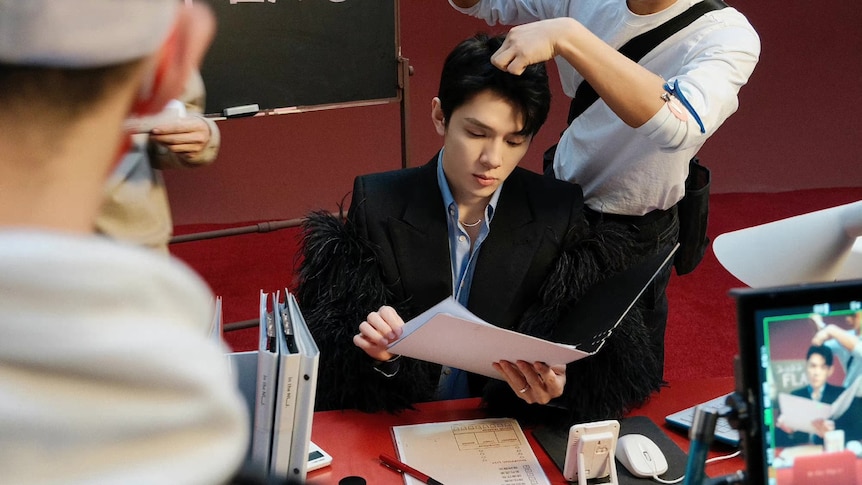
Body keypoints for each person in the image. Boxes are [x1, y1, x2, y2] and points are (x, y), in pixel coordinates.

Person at [296, 33, 661, 426]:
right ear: (440, 116)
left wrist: (558, 391)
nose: (493, 159)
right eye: (476, 133)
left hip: (501, 426)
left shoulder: (557, 211)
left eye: (515, 140)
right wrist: (383, 358)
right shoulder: (378, 201)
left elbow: (587, 365)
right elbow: (336, 372)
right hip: (409, 422)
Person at [0, 1, 249, 483]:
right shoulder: (195, 415)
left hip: (131, 228)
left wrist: (200, 136)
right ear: (174, 57)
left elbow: (189, 116)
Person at [448, 0, 761, 377]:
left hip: (638, 228)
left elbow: (679, 125)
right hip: (558, 205)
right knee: (529, 366)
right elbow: (483, 4)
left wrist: (568, 36)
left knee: (622, 382)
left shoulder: (727, 34)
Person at [96, 70, 220, 253]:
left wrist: (199, 136)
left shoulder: (157, 44)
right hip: (45, 235)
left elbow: (181, 110)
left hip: (129, 235)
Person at [775, 345, 844, 447]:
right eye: (813, 366)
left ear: (830, 370)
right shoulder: (793, 398)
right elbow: (777, 441)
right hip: (802, 455)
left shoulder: (840, 396)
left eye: (823, 367)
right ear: (806, 366)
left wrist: (831, 435)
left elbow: (852, 433)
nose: (816, 372)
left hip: (830, 456)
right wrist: (788, 432)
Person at [812, 311, 862, 388]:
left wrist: (830, 329)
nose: (848, 319)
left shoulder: (839, 334)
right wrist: (818, 329)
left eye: (853, 315)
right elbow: (821, 349)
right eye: (847, 314)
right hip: (849, 390)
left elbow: (859, 350)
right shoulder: (844, 336)